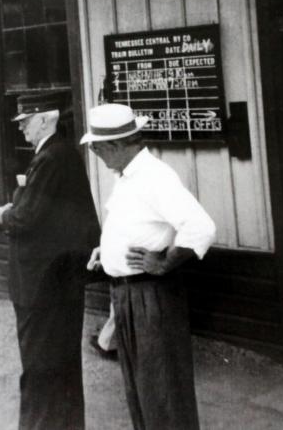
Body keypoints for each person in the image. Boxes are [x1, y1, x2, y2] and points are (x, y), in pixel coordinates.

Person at [82, 103, 216, 430]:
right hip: (127, 294)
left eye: (98, 148)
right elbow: (137, 223)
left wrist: (165, 262)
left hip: (150, 294)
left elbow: (201, 227)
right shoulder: (128, 175)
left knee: (162, 388)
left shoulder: (155, 176)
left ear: (116, 145)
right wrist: (107, 250)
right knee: (141, 386)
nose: (96, 154)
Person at [0, 92, 100, 430]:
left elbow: (24, 219)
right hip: (61, 282)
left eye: (26, 121)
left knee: (40, 368)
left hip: (41, 287)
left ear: (45, 119)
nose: (22, 128)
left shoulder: (49, 159)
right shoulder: (63, 154)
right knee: (63, 365)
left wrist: (7, 212)